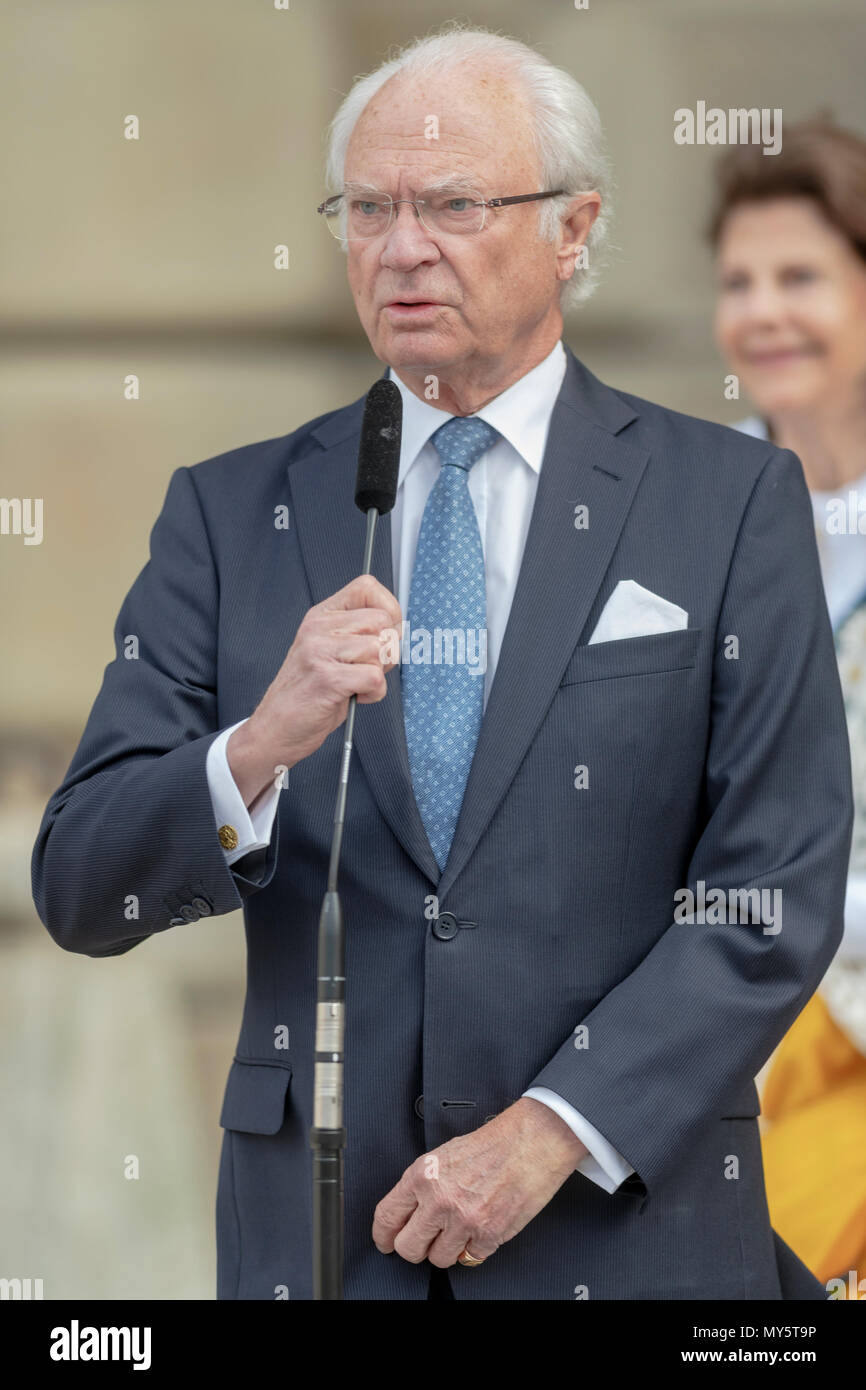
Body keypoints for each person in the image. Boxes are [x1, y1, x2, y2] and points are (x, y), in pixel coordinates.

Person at [32, 24, 853, 1301]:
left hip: (622, 1232)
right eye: (367, 207)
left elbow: (772, 890)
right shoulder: (229, 510)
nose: (400, 246)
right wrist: (255, 746)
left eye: (454, 204)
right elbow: (81, 883)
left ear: (572, 230)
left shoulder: (728, 502)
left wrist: (549, 1132)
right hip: (321, 1238)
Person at [711, 116, 866, 1294]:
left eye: (799, 276)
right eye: (737, 280)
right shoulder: (683, 511)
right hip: (701, 1047)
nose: (762, 311)